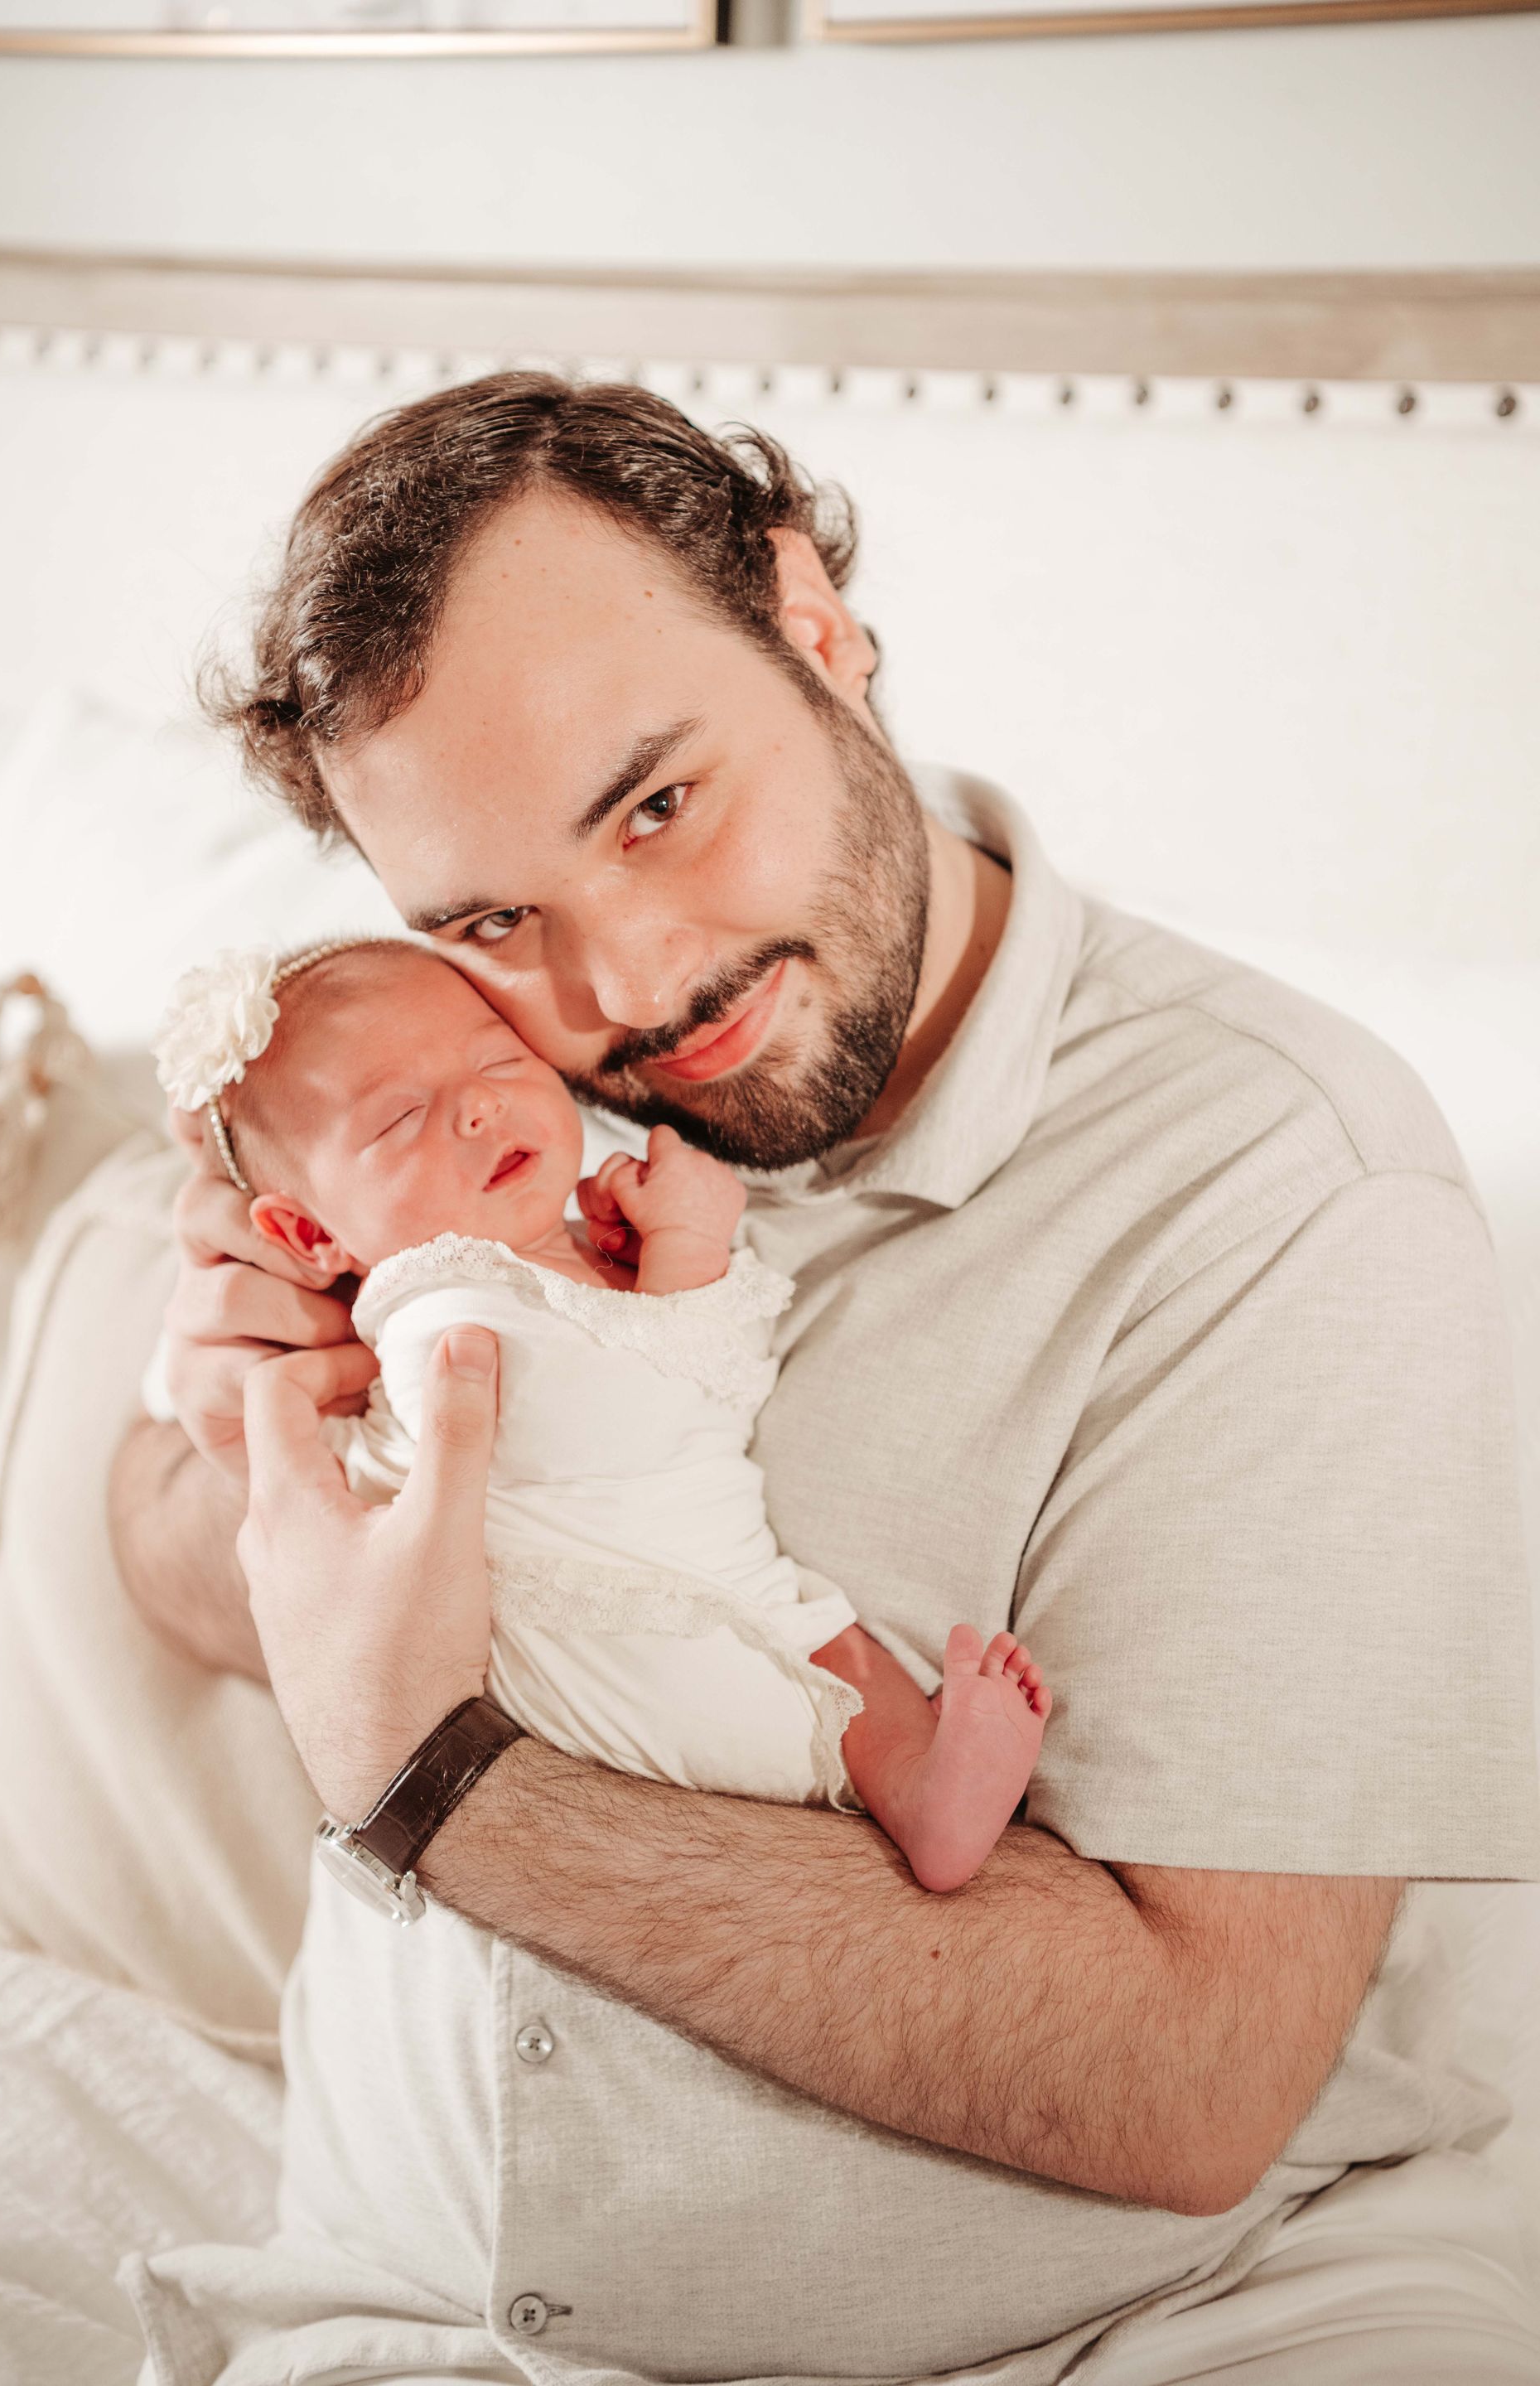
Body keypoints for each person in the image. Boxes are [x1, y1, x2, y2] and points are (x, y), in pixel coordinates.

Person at [112, 372, 1540, 2385]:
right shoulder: (458, 1114)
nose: (623, 990)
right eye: (499, 914)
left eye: (657, 803)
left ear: (812, 621)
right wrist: (224, 1425)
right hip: (395, 2319)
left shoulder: (1281, 1184)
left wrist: (440, 1783)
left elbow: (1187, 2073)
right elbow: (187, 1563)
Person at [149, 931, 1050, 1878]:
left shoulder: (551, 1257)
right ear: (306, 1231)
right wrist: (687, 1256)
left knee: (830, 1640)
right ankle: (913, 1787)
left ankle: (922, 1791)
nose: (479, 1104)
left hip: (703, 1615)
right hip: (630, 1663)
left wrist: (626, 1274)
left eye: (500, 1058)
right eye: (401, 1118)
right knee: (820, 1643)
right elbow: (621, 1412)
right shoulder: (437, 1309)